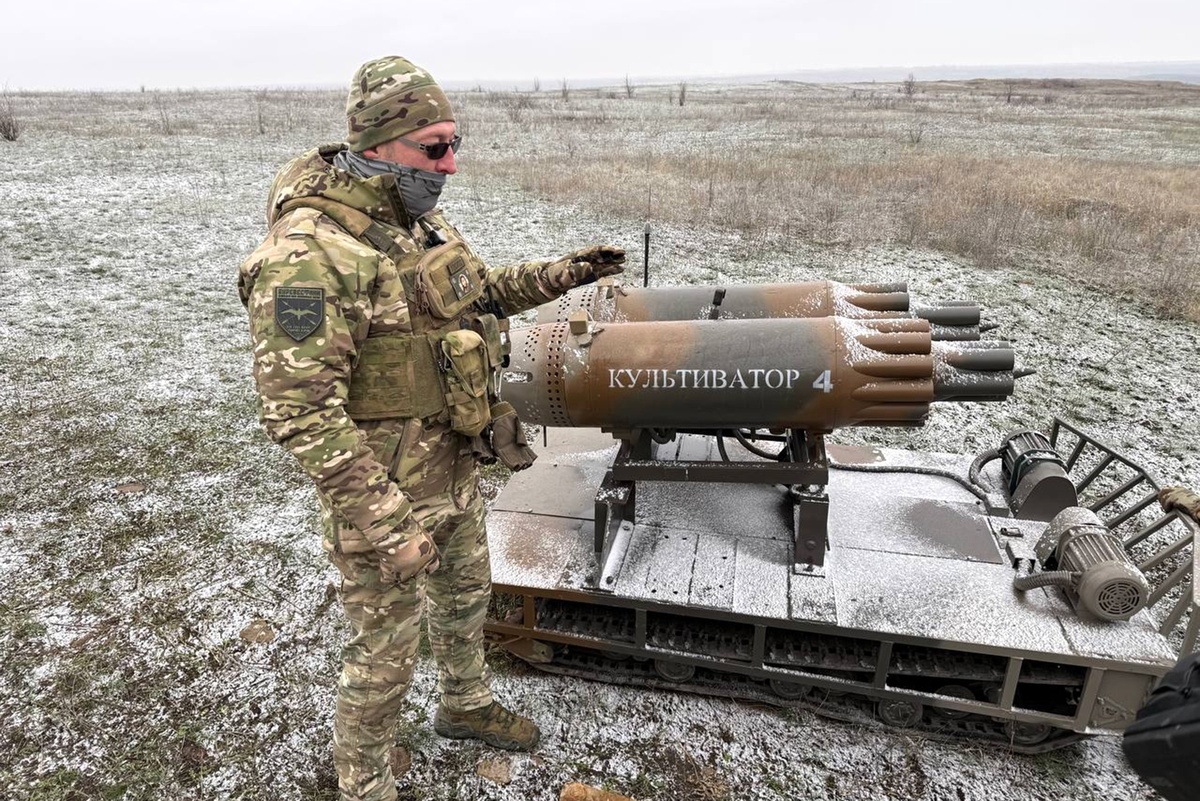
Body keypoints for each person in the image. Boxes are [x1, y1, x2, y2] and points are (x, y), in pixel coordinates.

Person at [237, 56, 625, 801]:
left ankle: (464, 704)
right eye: (435, 147)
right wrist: (387, 523)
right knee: (383, 656)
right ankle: (365, 784)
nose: (451, 162)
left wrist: (562, 274)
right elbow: (298, 410)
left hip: (451, 468)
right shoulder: (310, 254)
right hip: (382, 501)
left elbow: (475, 296)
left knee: (465, 599)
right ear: (379, 143)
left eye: (455, 142)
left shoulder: (414, 219)